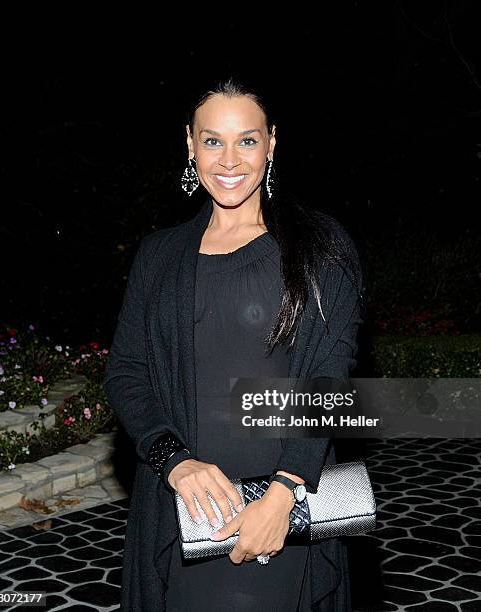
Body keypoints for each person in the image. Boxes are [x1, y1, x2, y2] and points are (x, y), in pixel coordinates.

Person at [103, 76, 364, 611]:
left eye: (246, 139)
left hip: (281, 503)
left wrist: (283, 494)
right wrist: (174, 461)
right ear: (189, 143)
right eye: (212, 139)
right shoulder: (160, 255)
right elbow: (126, 371)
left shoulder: (321, 245)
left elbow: (330, 377)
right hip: (186, 506)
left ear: (271, 144)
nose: (229, 158)